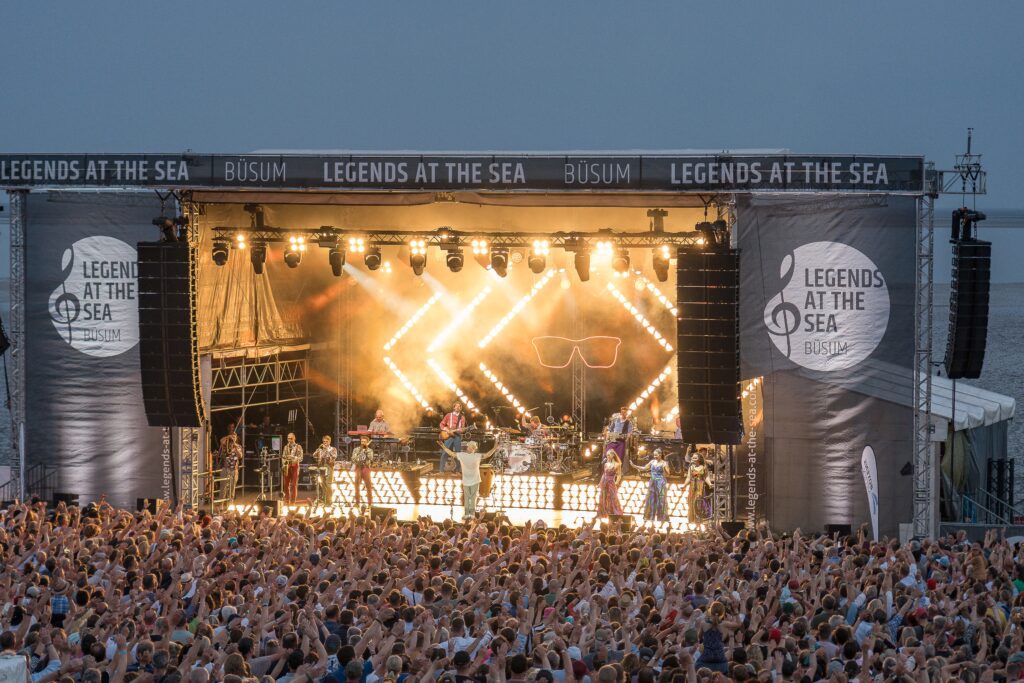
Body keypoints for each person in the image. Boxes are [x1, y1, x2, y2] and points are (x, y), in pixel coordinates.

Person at [438, 440, 498, 520]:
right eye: (469, 447)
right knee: (469, 498)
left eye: (470, 447)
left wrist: (444, 447)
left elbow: (451, 453)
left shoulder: (471, 455)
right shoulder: (467, 455)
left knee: (471, 498)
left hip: (474, 480)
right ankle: (469, 514)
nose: (469, 448)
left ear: (473, 448)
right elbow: (487, 455)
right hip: (470, 480)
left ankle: (470, 514)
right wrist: (495, 447)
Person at [636, 449, 669, 524]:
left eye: (656, 455)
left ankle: (662, 517)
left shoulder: (664, 463)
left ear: (660, 455)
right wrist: (635, 466)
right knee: (651, 499)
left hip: (660, 482)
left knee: (661, 500)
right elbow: (644, 468)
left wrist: (664, 467)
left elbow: (668, 473)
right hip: (652, 482)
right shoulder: (652, 462)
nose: (655, 456)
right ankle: (650, 516)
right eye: (654, 455)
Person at [682, 448, 713, 522]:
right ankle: (692, 519)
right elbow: (688, 478)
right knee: (692, 502)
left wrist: (709, 484)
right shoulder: (691, 467)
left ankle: (698, 520)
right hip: (692, 486)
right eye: (692, 457)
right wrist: (684, 485)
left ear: (699, 459)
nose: (693, 458)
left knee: (699, 502)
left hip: (700, 486)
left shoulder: (703, 467)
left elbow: (706, 477)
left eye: (695, 458)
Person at [439, 402, 467, 474]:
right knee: (445, 452)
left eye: (459, 407)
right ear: (453, 408)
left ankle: (457, 470)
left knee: (458, 454)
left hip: (457, 436)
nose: (457, 408)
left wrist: (462, 430)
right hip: (448, 436)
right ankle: (441, 470)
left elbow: (463, 428)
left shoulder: (462, 417)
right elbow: (441, 424)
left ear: (460, 408)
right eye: (456, 406)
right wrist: (447, 430)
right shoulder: (448, 415)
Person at [312, 435, 338, 506]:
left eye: (326, 441)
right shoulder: (320, 449)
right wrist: (318, 449)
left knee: (328, 484)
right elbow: (314, 455)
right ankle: (325, 500)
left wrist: (326, 449)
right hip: (321, 466)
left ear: (329, 441)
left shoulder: (333, 449)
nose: (325, 443)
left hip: (329, 466)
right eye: (324, 441)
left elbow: (334, 456)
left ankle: (329, 501)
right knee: (322, 484)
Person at [350, 435, 374, 509]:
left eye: (364, 442)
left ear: (367, 442)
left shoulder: (369, 450)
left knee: (368, 486)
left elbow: (370, 458)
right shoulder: (356, 449)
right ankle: (357, 503)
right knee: (356, 486)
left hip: (365, 468)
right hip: (358, 467)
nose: (362, 443)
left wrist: (365, 450)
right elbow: (353, 458)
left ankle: (370, 503)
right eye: (362, 441)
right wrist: (360, 454)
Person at [597, 450, 623, 517]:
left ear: (613, 455)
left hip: (611, 482)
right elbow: (604, 474)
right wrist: (600, 483)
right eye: (607, 455)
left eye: (609, 455)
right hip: (605, 482)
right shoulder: (606, 464)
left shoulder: (617, 464)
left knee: (612, 497)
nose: (607, 456)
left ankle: (612, 511)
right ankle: (604, 512)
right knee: (604, 497)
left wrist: (616, 483)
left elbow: (619, 475)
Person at [281, 432, 303, 504]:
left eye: (291, 438)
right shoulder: (285, 447)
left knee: (293, 484)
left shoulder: (298, 447)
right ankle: (287, 499)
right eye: (288, 438)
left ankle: (293, 500)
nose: (289, 440)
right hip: (287, 466)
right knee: (286, 484)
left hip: (295, 466)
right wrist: (284, 464)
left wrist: (293, 457)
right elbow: (283, 457)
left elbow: (301, 458)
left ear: (294, 438)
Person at [220, 433, 242, 502]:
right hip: (226, 469)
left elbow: (240, 456)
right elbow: (221, 441)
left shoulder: (238, 446)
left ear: (236, 438)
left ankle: (230, 504)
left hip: (234, 470)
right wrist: (227, 437)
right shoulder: (225, 445)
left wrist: (235, 448)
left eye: (234, 437)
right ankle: (221, 505)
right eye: (232, 437)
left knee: (232, 488)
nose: (233, 438)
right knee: (223, 488)